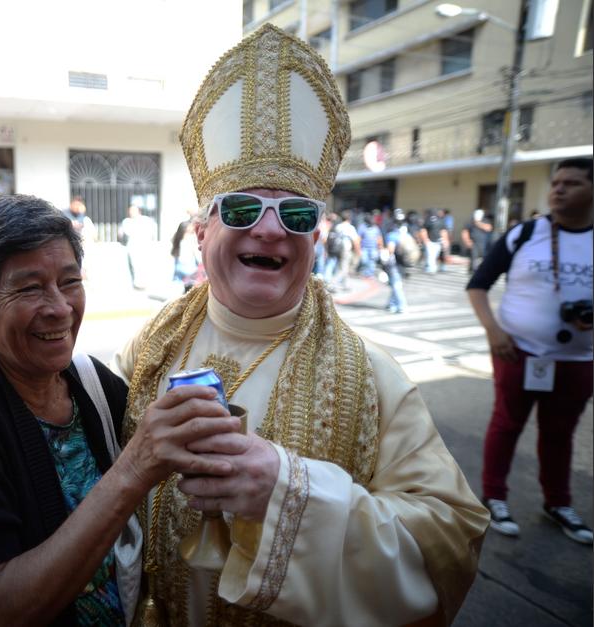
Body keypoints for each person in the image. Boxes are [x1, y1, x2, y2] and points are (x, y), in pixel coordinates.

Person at [114, 24, 488, 626]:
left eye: (294, 213)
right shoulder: (147, 348)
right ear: (203, 230)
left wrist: (289, 495)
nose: (269, 230)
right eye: (240, 208)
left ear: (316, 236)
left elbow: (452, 543)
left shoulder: (374, 378)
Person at [0, 195, 238, 626]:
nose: (60, 308)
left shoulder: (92, 383)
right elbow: (1, 609)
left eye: (69, 281)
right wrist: (133, 470)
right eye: (29, 287)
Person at [466, 157, 593, 545]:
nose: (558, 189)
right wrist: (494, 333)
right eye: (556, 182)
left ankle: (558, 503)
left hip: (578, 360)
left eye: (570, 183)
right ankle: (495, 497)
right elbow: (478, 284)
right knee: (506, 425)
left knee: (560, 433)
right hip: (517, 353)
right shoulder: (525, 233)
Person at [119, 204, 156, 289]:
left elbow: (152, 232)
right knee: (133, 265)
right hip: (132, 247)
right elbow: (123, 233)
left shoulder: (146, 220)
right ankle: (136, 284)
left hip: (143, 246)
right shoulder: (127, 221)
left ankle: (143, 283)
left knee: (143, 265)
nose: (132, 213)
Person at [382, 210, 410, 313]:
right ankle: (391, 305)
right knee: (396, 283)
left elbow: (390, 250)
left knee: (396, 285)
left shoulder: (392, 233)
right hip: (404, 262)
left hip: (394, 263)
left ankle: (402, 306)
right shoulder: (405, 231)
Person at [171, 217, 202, 292]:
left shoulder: (179, 242)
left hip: (186, 277)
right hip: (186, 277)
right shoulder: (187, 242)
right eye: (189, 232)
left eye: (191, 232)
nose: (191, 234)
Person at [460, 208, 494, 273]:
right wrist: (467, 241)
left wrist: (478, 223)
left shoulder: (485, 220)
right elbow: (465, 231)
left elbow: (489, 228)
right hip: (473, 242)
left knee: (484, 256)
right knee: (473, 256)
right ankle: (472, 270)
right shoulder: (470, 221)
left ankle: (482, 270)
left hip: (484, 243)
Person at [356, 212, 383, 277]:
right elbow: (358, 238)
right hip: (364, 248)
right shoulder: (362, 227)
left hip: (374, 248)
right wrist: (358, 249)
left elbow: (379, 238)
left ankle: (369, 275)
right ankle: (363, 272)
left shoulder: (376, 228)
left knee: (372, 262)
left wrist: (381, 247)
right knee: (364, 261)